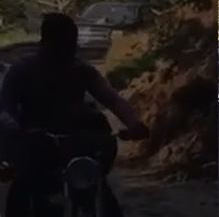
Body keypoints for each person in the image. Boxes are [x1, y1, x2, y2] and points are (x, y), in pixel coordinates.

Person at [0, 13, 150, 217]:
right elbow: (4, 107)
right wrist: (11, 133)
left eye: (71, 43)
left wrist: (134, 123)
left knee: (102, 194)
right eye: (61, 44)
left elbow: (112, 98)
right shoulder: (22, 70)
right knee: (22, 192)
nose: (67, 50)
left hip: (77, 145)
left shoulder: (80, 69)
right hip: (36, 145)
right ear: (45, 42)